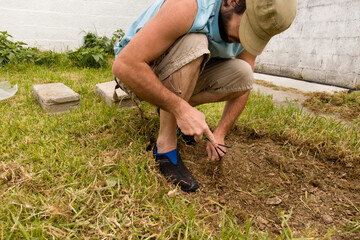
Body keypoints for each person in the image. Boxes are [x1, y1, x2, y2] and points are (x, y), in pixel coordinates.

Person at [112, 0, 297, 191]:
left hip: (179, 69)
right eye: (246, 29)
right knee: (196, 41)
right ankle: (165, 146)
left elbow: (244, 82)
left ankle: (166, 106)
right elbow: (125, 65)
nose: (245, 40)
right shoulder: (188, 6)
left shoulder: (252, 26)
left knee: (243, 74)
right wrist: (180, 109)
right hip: (136, 71)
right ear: (231, 2)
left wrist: (221, 133)